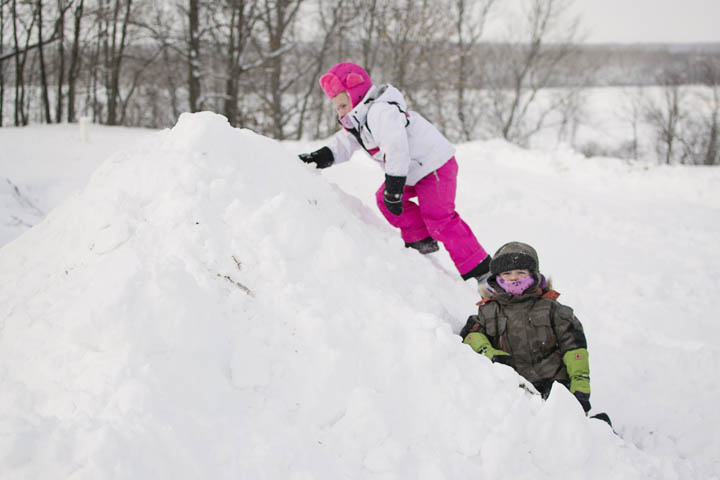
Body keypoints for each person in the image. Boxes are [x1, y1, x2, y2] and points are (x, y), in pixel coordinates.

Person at [298, 62, 491, 283]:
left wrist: (395, 187)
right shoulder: (359, 120)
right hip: (410, 171)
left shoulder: (381, 112)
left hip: (434, 165)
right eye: (338, 108)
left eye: (343, 105)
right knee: (384, 199)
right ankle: (420, 242)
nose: (341, 112)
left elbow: (397, 149)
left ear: (356, 93)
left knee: (439, 218)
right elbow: (344, 143)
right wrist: (318, 157)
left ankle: (481, 268)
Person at [459, 241, 595, 414]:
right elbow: (471, 334)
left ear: (533, 275)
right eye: (507, 273)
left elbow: (574, 346)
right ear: (497, 278)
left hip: (554, 386)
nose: (514, 278)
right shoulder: (489, 310)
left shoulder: (551, 308)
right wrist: (490, 354)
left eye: (521, 273)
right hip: (515, 389)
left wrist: (579, 385)